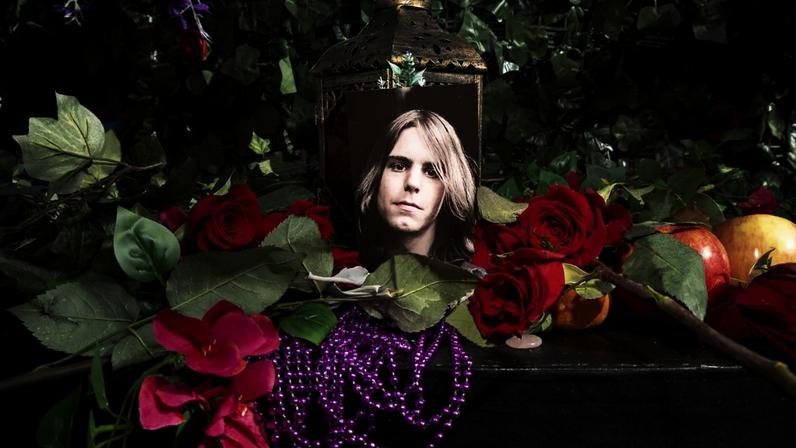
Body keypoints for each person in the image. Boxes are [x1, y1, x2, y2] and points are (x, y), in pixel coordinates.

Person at [355, 109, 477, 269]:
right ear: (376, 176)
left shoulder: (475, 285)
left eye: (432, 172)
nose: (412, 183)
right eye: (398, 166)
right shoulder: (342, 277)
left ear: (451, 188)